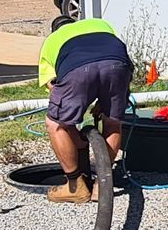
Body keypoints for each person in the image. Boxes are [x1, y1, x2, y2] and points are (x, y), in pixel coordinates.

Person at [38, 18, 132, 203]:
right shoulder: (99, 24)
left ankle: (75, 187)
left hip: (77, 67)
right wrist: (102, 103)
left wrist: (72, 122)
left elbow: (54, 87)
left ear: (55, 29)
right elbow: (106, 60)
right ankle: (101, 187)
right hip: (117, 64)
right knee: (112, 122)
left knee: (56, 124)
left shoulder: (52, 40)